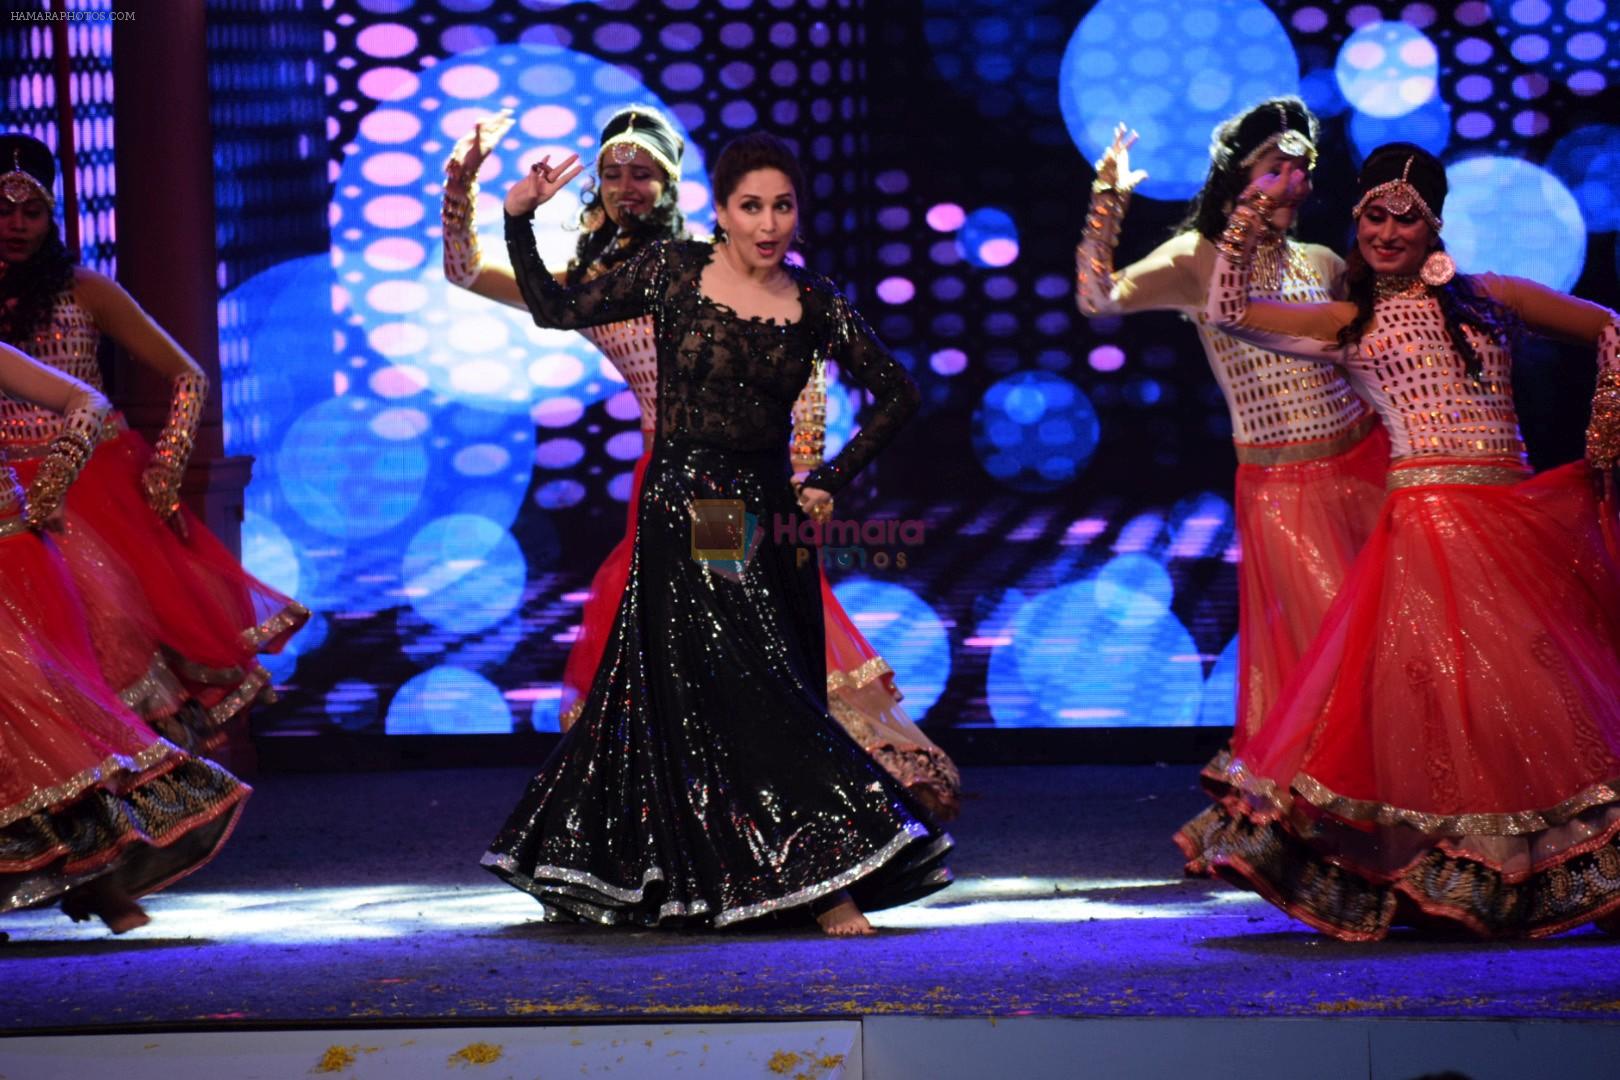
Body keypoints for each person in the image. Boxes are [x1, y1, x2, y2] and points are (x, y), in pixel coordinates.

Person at [480, 131, 951, 935]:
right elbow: (557, 311)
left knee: (762, 687)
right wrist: (519, 219)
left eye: (782, 206)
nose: (768, 224)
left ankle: (735, 865)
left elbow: (899, 393)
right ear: (724, 213)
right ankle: (826, 879)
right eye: (751, 206)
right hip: (697, 507)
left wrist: (830, 478)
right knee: (747, 685)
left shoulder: (816, 302)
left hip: (771, 515)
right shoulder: (674, 273)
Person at [1179, 142, 1620, 940]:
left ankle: (1556, 868)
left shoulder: (1491, 296)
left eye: (1405, 219)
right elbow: (1232, 313)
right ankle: (1457, 873)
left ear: (1434, 228)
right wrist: (1244, 220)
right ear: (1358, 221)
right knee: (1451, 704)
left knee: (1538, 693)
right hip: (1426, 530)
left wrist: (1605, 438)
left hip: (1512, 520)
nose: (1387, 232)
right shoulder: (1351, 320)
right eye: (1374, 216)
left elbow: (1609, 328)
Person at [1076, 99, 1388, 777]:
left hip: (1366, 465)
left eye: (1300, 169)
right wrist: (1108, 198)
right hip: (1283, 485)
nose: (1290, 183)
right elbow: (1098, 298)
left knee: (1387, 639)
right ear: (1240, 174)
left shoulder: (1324, 261)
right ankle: (1329, 803)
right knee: (1327, 647)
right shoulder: (1198, 259)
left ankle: (1399, 795)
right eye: (1274, 167)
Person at [0, 132, 307, 752]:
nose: (17, 225)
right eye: (3, 210)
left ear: (52, 212)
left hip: (92, 486)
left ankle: (143, 805)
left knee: (110, 633)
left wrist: (164, 475)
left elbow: (188, 376)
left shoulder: (85, 290)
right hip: (8, 493)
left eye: (32, 211)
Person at [0, 341, 249, 934]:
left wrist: (54, 481)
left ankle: (101, 880)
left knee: (47, 718)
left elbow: (82, 397)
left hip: (10, 553)